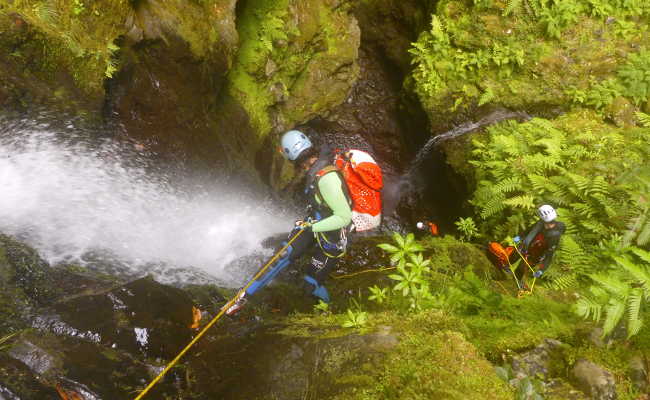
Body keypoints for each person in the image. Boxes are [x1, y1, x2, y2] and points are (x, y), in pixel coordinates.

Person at [224, 130, 355, 316]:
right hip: (316, 223)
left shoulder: (327, 178)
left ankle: (333, 312)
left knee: (309, 284)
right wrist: (309, 225)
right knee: (282, 254)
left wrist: (312, 227)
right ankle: (243, 297)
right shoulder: (315, 170)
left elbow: (344, 217)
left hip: (333, 237)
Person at [489, 204, 565, 284]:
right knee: (508, 260)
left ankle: (515, 283)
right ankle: (498, 270)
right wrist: (517, 238)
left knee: (519, 272)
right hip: (523, 247)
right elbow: (528, 231)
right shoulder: (540, 224)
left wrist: (541, 271)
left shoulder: (554, 236)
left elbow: (549, 256)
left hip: (534, 256)